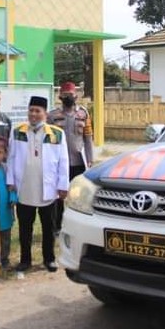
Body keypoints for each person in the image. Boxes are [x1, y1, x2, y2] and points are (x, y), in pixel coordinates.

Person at [7, 96, 69, 273]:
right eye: (31, 110)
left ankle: (49, 259)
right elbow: (11, 157)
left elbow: (63, 162)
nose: (33, 114)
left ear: (45, 113)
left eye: (37, 111)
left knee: (48, 227)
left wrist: (63, 185)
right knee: (25, 227)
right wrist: (10, 181)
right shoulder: (17, 131)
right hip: (24, 187)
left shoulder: (56, 134)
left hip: (47, 188)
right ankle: (25, 260)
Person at [47, 81, 93, 235]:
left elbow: (88, 138)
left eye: (71, 95)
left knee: (79, 196)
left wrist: (90, 159)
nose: (68, 97)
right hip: (59, 164)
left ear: (76, 96)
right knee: (58, 197)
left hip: (78, 162)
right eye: (65, 95)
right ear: (60, 96)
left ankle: (78, 226)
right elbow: (47, 141)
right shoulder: (52, 116)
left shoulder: (83, 114)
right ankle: (57, 226)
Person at [0, 136, 17, 270]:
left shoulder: (6, 169)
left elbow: (12, 185)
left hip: (5, 209)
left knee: (5, 236)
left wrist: (13, 198)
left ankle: (5, 259)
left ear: (5, 154)